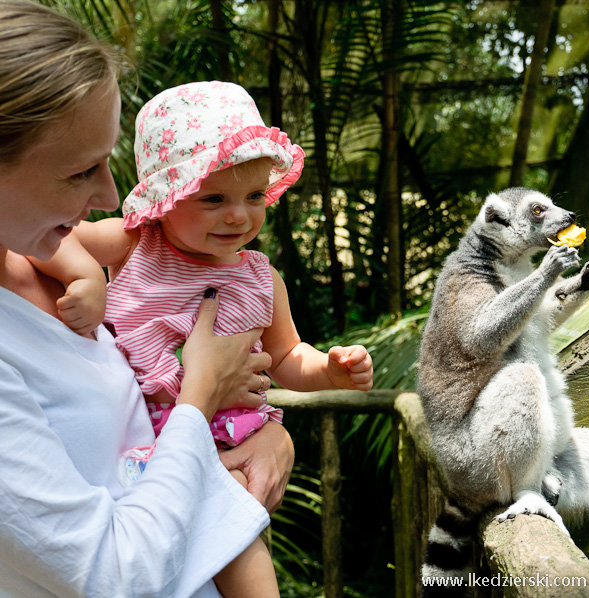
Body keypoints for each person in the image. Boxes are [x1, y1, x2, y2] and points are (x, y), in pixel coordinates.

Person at [32, 80, 375, 598]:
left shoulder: (262, 278)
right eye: (213, 198)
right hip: (147, 440)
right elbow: (49, 238)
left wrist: (328, 371)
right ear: (164, 199)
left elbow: (285, 355)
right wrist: (87, 281)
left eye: (254, 196)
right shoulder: (134, 244)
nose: (238, 215)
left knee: (239, 551)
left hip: (233, 437)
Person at [0, 2, 295, 597]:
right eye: (80, 171)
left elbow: (131, 441)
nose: (111, 193)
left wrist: (267, 435)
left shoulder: (56, 268)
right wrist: (201, 392)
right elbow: (114, 573)